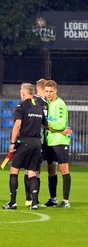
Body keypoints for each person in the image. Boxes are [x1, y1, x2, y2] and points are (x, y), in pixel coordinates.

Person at [4, 82, 47, 210]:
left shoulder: (22, 106)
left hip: (24, 142)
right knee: (32, 172)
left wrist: (12, 143)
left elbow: (17, 125)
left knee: (14, 170)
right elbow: (45, 125)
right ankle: (34, 203)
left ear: (23, 93)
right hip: (37, 143)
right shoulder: (39, 107)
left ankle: (12, 202)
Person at [43, 80, 72, 208]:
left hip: (60, 141)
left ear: (56, 91)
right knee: (51, 170)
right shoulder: (46, 104)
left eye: (51, 91)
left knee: (64, 169)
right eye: (46, 91)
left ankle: (65, 201)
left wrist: (48, 126)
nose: (48, 94)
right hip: (50, 141)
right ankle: (53, 198)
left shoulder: (60, 104)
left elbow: (60, 124)